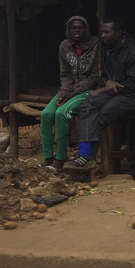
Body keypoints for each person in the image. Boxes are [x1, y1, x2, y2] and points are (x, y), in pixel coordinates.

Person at [64, 17, 135, 172]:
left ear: (119, 33)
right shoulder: (107, 51)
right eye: (102, 32)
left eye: (107, 32)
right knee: (87, 105)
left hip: (133, 96)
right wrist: (106, 83)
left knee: (101, 116)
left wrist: (107, 87)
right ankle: (84, 155)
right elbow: (104, 75)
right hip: (113, 93)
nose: (103, 35)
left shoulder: (134, 52)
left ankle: (87, 157)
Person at [40, 16, 99, 172]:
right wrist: (64, 92)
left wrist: (74, 93)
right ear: (68, 30)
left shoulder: (96, 44)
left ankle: (60, 160)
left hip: (87, 90)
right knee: (46, 114)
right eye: (73, 28)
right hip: (68, 89)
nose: (76, 31)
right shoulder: (64, 46)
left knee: (61, 113)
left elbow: (95, 76)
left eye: (80, 27)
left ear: (86, 29)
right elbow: (64, 73)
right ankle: (48, 158)